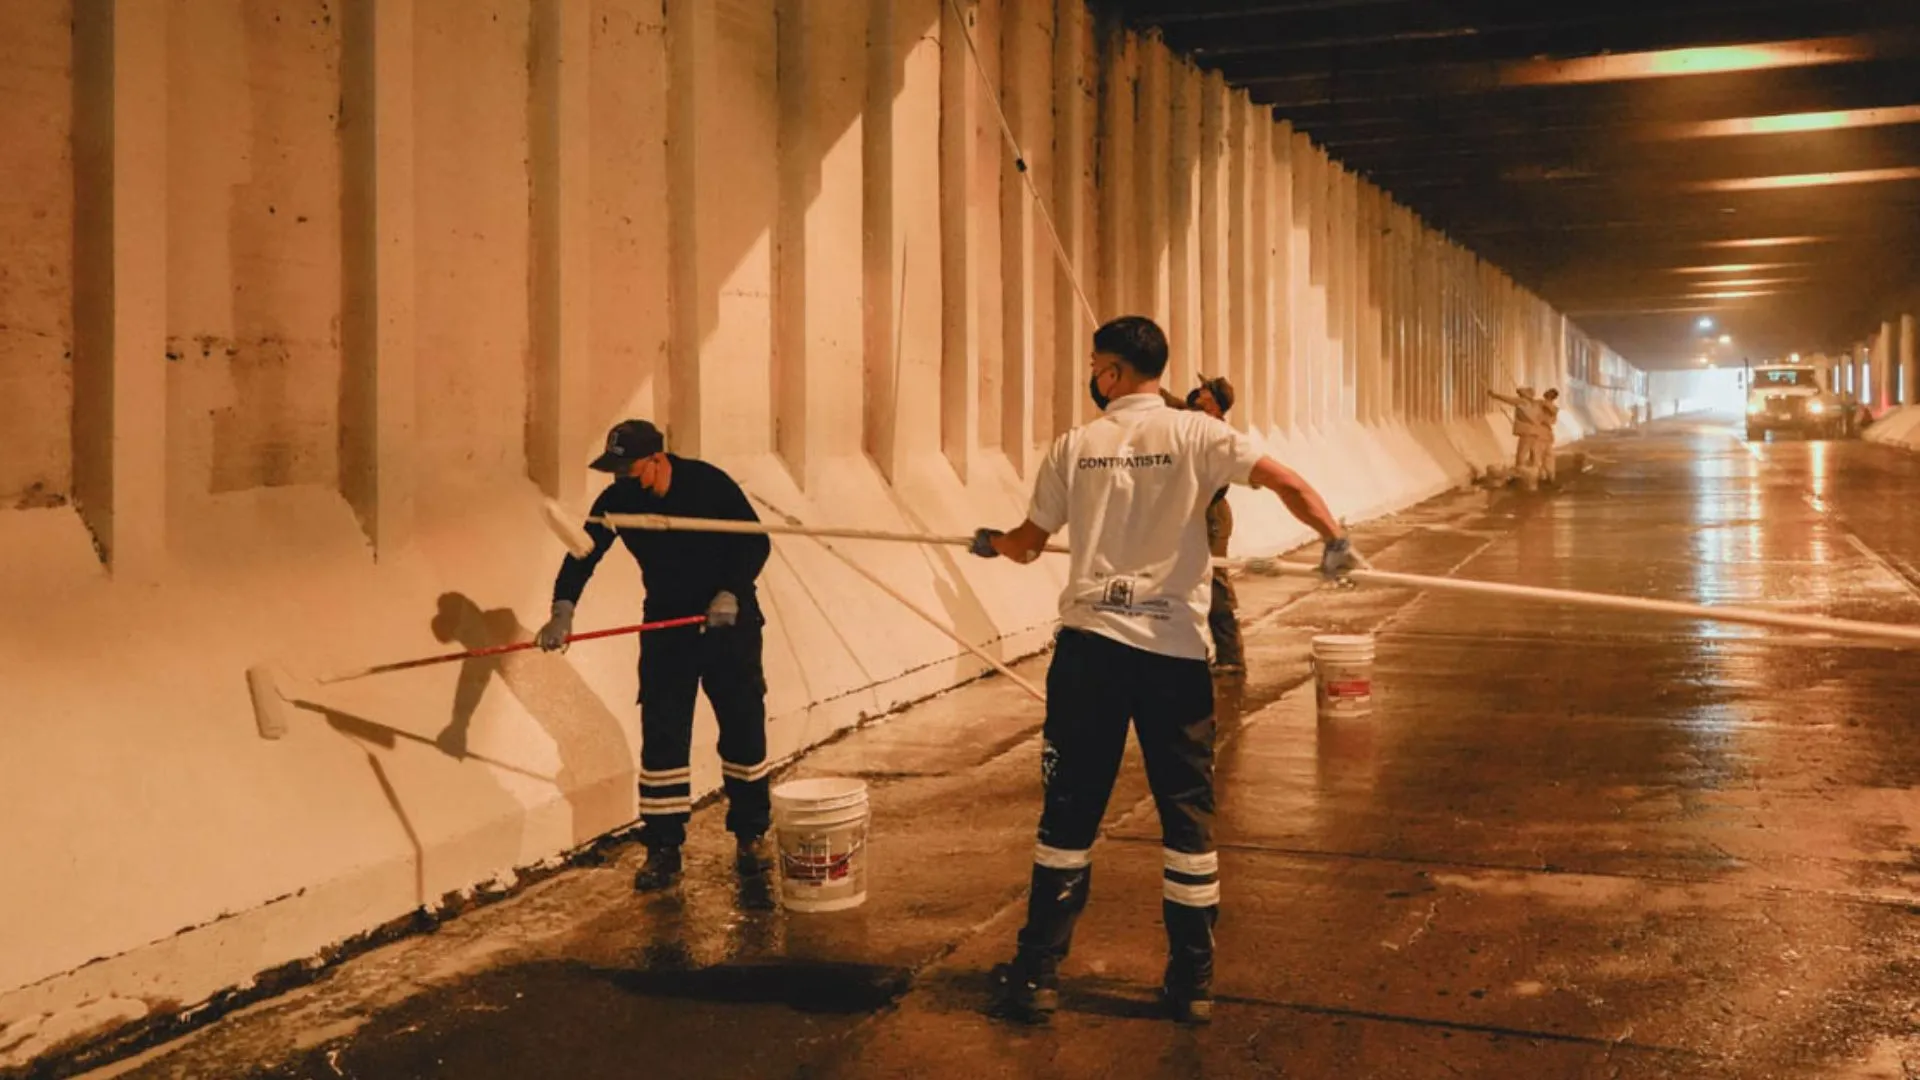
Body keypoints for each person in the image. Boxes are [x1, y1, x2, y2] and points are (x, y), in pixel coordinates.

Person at [968, 316, 1355, 1025]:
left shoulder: (1073, 446)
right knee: (1187, 819)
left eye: (1096, 366)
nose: (1093, 377)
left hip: (1090, 653)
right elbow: (1287, 483)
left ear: (1112, 374)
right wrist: (1334, 539)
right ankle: (1193, 982)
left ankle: (1037, 976)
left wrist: (990, 542)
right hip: (1174, 653)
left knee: (1069, 811)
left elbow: (1028, 544)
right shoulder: (1199, 436)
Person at [536, 419, 774, 892]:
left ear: (657, 459)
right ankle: (664, 848)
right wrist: (562, 611)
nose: (621, 477)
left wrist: (730, 591)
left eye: (629, 467)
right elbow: (583, 554)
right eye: (614, 469)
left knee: (742, 725)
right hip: (667, 623)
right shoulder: (617, 501)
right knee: (664, 731)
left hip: (728, 621)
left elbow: (755, 541)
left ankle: (751, 836)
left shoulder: (708, 484)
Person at [1185, 375, 1244, 675]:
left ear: (1216, 403)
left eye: (1205, 394)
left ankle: (1231, 655)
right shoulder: (1194, 422)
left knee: (1215, 580)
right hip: (1196, 512)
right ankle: (1198, 651)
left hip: (1213, 516)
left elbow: (1217, 485)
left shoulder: (1220, 434)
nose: (1199, 396)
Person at [1488, 387, 1547, 476]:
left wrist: (1494, 395)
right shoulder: (1536, 404)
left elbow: (1508, 400)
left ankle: (1522, 476)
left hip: (1526, 433)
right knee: (1534, 455)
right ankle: (1537, 475)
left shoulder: (1522, 402)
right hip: (1536, 432)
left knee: (1521, 456)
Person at [1536, 388, 1562, 484]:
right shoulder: (1539, 403)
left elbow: (1552, 420)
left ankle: (1550, 477)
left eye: (1550, 394)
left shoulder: (1553, 408)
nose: (1547, 393)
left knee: (1547, 456)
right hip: (1539, 434)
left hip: (1545, 435)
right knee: (1538, 457)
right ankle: (1542, 477)